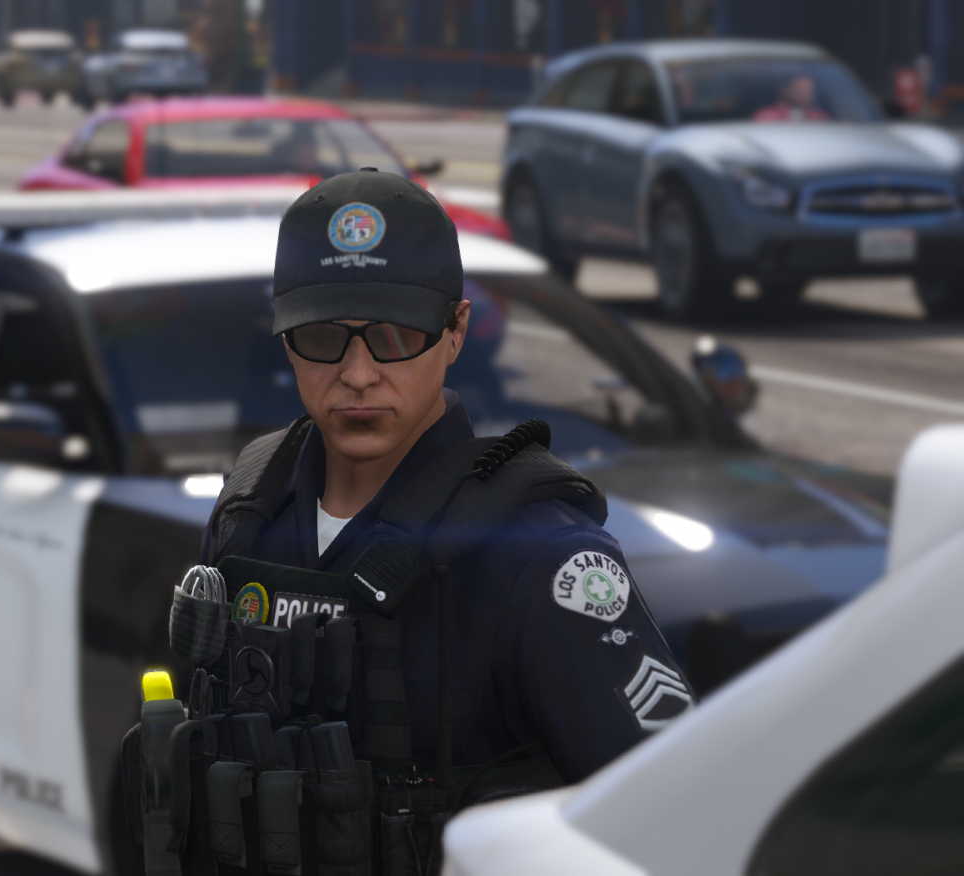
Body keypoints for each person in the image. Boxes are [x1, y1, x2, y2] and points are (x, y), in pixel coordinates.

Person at [196, 168, 693, 861]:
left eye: (396, 336)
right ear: (284, 337)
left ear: (455, 332)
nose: (359, 373)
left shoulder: (538, 556)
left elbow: (673, 813)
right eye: (323, 336)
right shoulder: (248, 515)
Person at [754, 73, 828, 122]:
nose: (804, 95)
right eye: (798, 90)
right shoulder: (766, 116)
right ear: (784, 91)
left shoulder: (820, 117)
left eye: (808, 91)